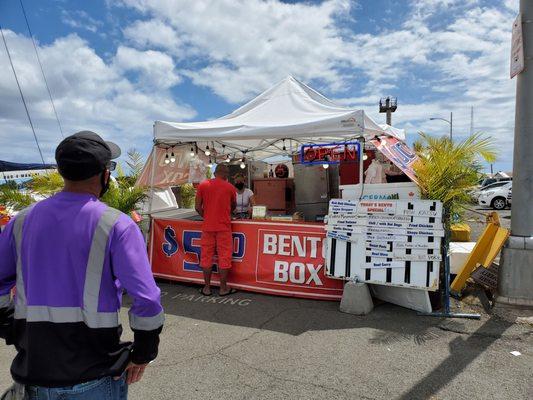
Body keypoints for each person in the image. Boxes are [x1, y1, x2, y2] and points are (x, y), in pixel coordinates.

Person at [0, 131, 164, 399]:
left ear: (62, 172)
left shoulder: (21, 221)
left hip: (34, 376)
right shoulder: (117, 225)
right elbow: (146, 299)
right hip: (95, 375)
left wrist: (10, 325)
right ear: (105, 174)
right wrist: (143, 353)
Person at [195, 164, 237, 296]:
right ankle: (223, 288)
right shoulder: (230, 187)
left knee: (206, 257)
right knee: (224, 257)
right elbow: (233, 206)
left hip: (208, 227)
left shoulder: (203, 185)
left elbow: (197, 207)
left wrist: (207, 217)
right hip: (224, 227)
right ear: (225, 174)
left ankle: (207, 288)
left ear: (215, 172)